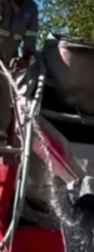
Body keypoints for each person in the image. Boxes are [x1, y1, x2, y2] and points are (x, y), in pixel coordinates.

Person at [0, 0, 38, 146]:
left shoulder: (31, 7)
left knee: (13, 90)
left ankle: (7, 136)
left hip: (10, 59)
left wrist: (26, 58)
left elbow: (31, 34)